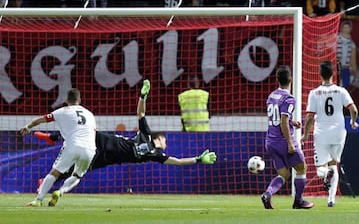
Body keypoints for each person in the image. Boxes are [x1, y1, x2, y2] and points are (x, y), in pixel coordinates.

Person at [34, 79, 217, 186]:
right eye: (165, 140)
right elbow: (141, 113)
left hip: (109, 158)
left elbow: (176, 161)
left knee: (80, 171)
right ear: (158, 137)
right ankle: (52, 137)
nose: (166, 143)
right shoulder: (146, 134)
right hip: (107, 141)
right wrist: (142, 97)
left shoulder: (155, 155)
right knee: (87, 130)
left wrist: (198, 159)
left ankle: (46, 181)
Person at [19, 88, 97, 207]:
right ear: (79, 100)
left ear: (66, 100)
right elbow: (93, 131)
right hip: (90, 148)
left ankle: (38, 200)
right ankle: (60, 192)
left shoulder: (61, 111)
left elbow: (42, 119)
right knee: (77, 175)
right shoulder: (89, 114)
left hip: (72, 145)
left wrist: (28, 127)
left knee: (55, 173)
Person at [301, 61, 359, 207]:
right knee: (334, 165)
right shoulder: (341, 91)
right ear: (333, 74)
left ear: (320, 74)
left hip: (322, 134)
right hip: (339, 133)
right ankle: (331, 199)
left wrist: (305, 134)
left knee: (321, 168)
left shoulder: (314, 93)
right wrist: (352, 122)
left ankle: (326, 175)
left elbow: (309, 117)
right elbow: (354, 110)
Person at [261, 67, 314, 209]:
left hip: (270, 141)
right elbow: (283, 121)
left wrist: (292, 122)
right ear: (291, 80)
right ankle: (298, 201)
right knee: (302, 168)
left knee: (283, 174)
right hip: (283, 141)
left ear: (277, 80)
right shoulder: (289, 98)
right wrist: (290, 143)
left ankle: (268, 194)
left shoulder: (272, 96)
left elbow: (277, 117)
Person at [336, 20, 358, 88]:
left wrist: (354, 70)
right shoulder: (335, 38)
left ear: (350, 29)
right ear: (341, 28)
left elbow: (353, 59)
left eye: (348, 27)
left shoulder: (352, 43)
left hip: (346, 67)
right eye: (344, 27)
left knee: (346, 84)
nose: (346, 29)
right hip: (336, 67)